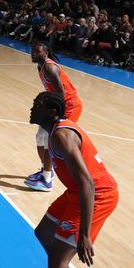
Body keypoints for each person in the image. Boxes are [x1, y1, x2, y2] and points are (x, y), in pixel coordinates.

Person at [7, 91, 119, 268]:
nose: (32, 108)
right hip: (75, 192)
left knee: (58, 257)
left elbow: (88, 183)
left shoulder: (62, 135)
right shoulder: (54, 131)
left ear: (52, 112)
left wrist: (84, 235)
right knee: (44, 232)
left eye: (38, 105)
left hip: (94, 195)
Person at [25, 41, 83, 191]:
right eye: (32, 51)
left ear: (45, 53)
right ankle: (46, 171)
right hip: (56, 105)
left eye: (37, 51)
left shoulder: (50, 67)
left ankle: (47, 180)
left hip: (68, 106)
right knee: (40, 137)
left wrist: (56, 115)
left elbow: (61, 94)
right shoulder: (41, 66)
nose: (33, 53)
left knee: (50, 140)